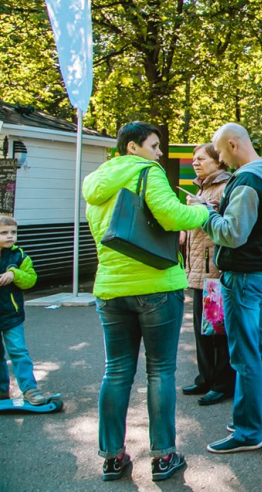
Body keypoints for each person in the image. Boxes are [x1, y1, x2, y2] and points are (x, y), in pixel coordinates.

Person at [83, 121, 210, 481]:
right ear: (134, 147)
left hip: (110, 289)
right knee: (160, 371)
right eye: (154, 146)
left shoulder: (96, 183)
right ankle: (164, 456)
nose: (159, 154)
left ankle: (111, 457)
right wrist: (204, 210)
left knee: (117, 372)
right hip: (156, 286)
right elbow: (172, 217)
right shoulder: (147, 171)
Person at [201, 123, 262, 454]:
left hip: (244, 276)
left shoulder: (248, 182)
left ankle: (248, 430)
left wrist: (205, 215)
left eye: (221, 152)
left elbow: (233, 233)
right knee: (261, 346)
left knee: (245, 352)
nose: (221, 159)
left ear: (234, 145)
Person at [181, 143, 235, 406]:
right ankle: (206, 377)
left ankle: (222, 383)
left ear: (218, 161)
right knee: (201, 330)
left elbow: (228, 225)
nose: (195, 162)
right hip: (197, 270)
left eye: (201, 158)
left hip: (213, 271)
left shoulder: (226, 186)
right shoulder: (202, 186)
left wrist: (206, 208)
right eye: (194, 158)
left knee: (216, 331)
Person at [0, 216, 51, 406]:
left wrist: (15, 274)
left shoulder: (19, 256)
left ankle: (29, 389)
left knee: (19, 352)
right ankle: (2, 392)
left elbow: (31, 280)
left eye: (13, 232)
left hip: (12, 315)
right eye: (4, 233)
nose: (10, 236)